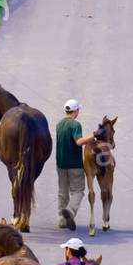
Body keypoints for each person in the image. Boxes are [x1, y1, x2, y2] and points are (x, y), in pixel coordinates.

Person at [55, 97, 96, 230]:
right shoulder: (75, 125)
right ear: (76, 111)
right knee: (78, 191)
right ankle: (71, 212)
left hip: (61, 164)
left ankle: (61, 220)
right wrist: (94, 136)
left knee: (62, 192)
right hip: (74, 165)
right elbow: (78, 142)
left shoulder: (59, 124)